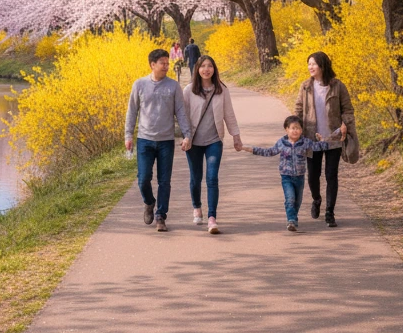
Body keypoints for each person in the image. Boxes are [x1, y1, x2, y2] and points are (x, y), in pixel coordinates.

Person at [125, 48, 192, 232]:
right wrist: (128, 135)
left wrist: (187, 135)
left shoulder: (173, 86)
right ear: (152, 64)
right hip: (145, 139)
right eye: (162, 63)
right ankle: (149, 202)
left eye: (167, 62)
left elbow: (181, 112)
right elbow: (132, 111)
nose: (166, 66)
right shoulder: (139, 85)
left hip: (165, 141)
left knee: (164, 181)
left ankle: (161, 216)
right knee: (143, 179)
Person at [182, 56, 243, 234]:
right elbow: (183, 116)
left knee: (212, 178)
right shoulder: (189, 90)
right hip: (194, 142)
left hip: (214, 140)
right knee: (195, 178)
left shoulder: (221, 90)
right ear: (197, 69)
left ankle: (212, 217)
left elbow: (229, 114)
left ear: (214, 69)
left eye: (210, 66)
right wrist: (186, 137)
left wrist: (236, 136)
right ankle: (197, 207)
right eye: (203, 66)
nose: (206, 69)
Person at [295, 51, 355, 228]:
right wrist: (294, 130)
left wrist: (345, 124)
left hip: (333, 137)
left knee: (331, 175)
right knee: (313, 176)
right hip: (311, 138)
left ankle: (330, 212)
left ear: (322, 65)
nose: (310, 67)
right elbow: (298, 109)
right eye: (309, 64)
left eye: (313, 64)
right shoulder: (305, 87)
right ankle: (316, 199)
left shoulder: (338, 86)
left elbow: (348, 109)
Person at [240, 115, 330, 231]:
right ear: (286, 129)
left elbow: (318, 147)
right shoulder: (282, 143)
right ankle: (291, 220)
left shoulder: (305, 142)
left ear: (302, 130)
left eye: (298, 128)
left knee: (297, 201)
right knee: (290, 198)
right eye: (292, 128)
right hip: (286, 177)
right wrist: (248, 148)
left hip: (299, 177)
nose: (295, 130)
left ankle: (293, 217)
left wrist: (323, 140)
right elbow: (269, 152)